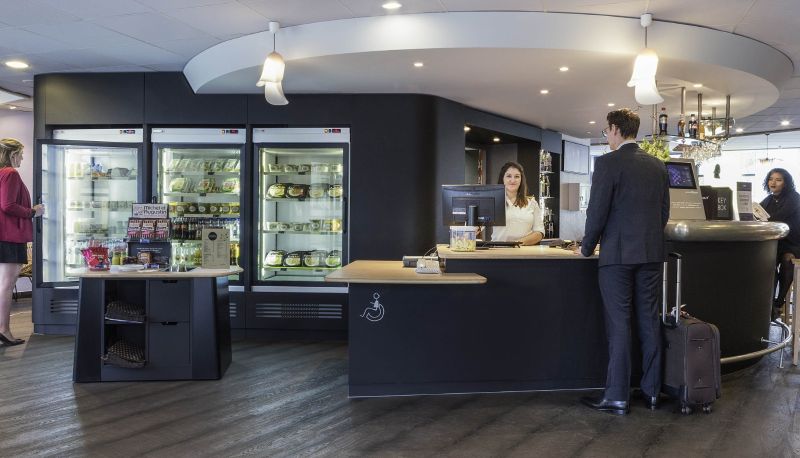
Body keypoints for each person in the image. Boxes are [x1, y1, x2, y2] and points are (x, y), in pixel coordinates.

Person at [577, 109, 670, 415]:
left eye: (606, 131)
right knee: (649, 320)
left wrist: (586, 248)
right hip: (651, 254)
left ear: (615, 129)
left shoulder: (608, 163)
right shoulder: (658, 165)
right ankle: (652, 392)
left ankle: (617, 396)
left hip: (617, 256)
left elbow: (597, 212)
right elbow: (663, 213)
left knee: (619, 324)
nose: (607, 136)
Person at [0, 138, 44, 346]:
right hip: (10, 236)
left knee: (4, 284)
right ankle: (4, 330)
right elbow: (7, 205)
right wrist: (32, 212)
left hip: (3, 235)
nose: (22, 158)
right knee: (7, 285)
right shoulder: (10, 173)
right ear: (12, 154)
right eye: (21, 154)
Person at [759, 168, 800, 321]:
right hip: (776, 242)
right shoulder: (768, 199)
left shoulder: (794, 197)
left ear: (786, 182)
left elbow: (779, 217)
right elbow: (756, 214)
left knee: (787, 260)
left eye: (778, 179)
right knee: (768, 264)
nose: (773, 182)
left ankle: (778, 302)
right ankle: (769, 305)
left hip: (793, 242)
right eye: (771, 179)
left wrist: (762, 218)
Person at [490, 161, 544, 245]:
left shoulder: (531, 203)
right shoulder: (493, 201)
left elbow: (539, 233)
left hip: (524, 250)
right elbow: (476, 227)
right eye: (508, 176)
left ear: (521, 180)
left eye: (517, 176)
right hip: (498, 249)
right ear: (502, 179)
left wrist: (516, 244)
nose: (512, 180)